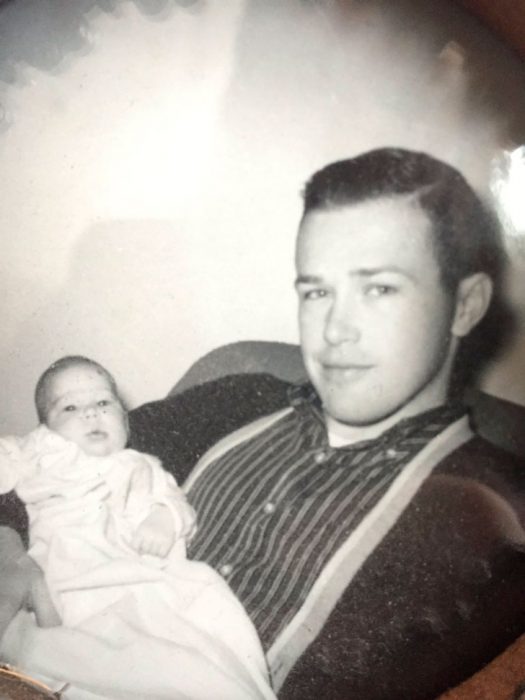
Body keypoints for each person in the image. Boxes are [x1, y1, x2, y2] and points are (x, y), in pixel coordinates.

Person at [1, 147, 525, 700]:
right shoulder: (243, 393)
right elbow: (60, 459)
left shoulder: (502, 508)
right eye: (318, 291)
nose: (335, 328)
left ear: (464, 306)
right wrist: (8, 552)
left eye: (380, 288)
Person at [0, 356, 275, 700]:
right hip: (62, 578)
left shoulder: (144, 467)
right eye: (70, 407)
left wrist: (163, 520)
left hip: (132, 577)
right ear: (44, 427)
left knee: (183, 644)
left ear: (124, 419)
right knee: (64, 651)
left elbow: (176, 504)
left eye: (103, 402)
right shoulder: (40, 450)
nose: (91, 413)